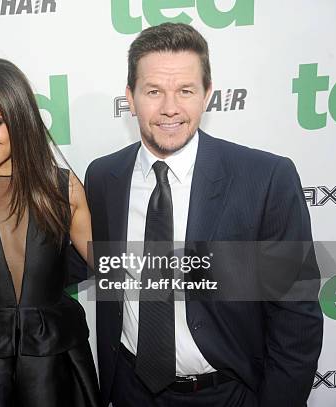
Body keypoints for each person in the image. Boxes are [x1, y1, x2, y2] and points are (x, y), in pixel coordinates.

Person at [84, 23, 323, 407]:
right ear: (130, 97)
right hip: (130, 390)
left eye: (186, 91)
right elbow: (95, 267)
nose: (170, 108)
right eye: (153, 91)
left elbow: (297, 319)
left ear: (207, 95)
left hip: (226, 393)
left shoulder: (264, 179)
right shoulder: (102, 176)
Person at [0, 57, 100, 407]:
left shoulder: (64, 189)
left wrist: (228, 270)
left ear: (20, 118)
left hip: (55, 359)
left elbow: (108, 266)